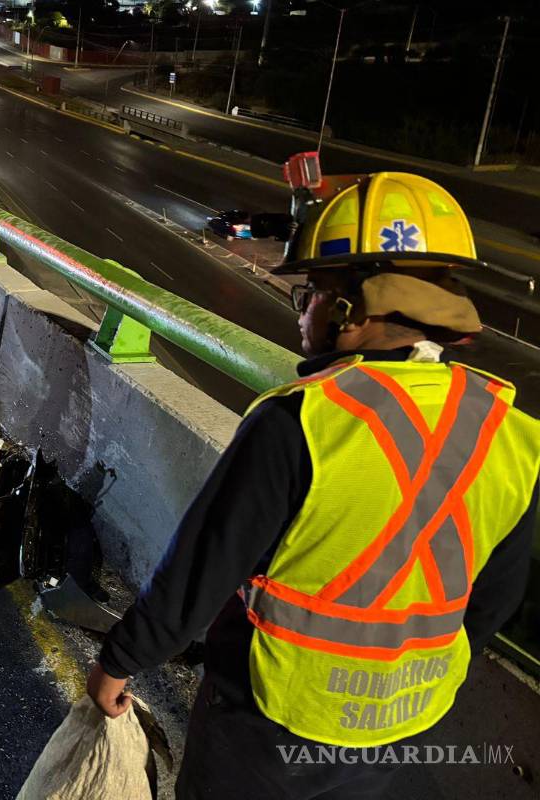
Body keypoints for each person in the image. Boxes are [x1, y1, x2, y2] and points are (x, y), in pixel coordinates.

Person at [86, 172, 540, 798]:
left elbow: (201, 569)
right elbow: (495, 596)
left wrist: (120, 661)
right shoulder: (510, 430)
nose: (303, 310)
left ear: (353, 311)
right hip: (407, 726)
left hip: (272, 724)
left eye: (313, 294)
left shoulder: (302, 420)